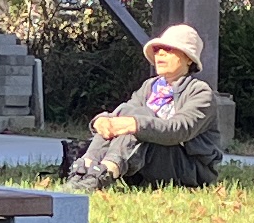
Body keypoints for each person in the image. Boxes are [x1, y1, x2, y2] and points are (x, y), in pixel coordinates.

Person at [65, 23, 226, 188]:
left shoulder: (201, 93)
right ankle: (84, 170)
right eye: (157, 49)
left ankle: (104, 173)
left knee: (137, 123)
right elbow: (126, 112)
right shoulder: (150, 86)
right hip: (148, 161)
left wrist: (135, 124)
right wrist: (101, 121)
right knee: (127, 117)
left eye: (168, 49)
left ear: (189, 58)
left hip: (190, 169)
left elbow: (178, 130)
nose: (160, 53)